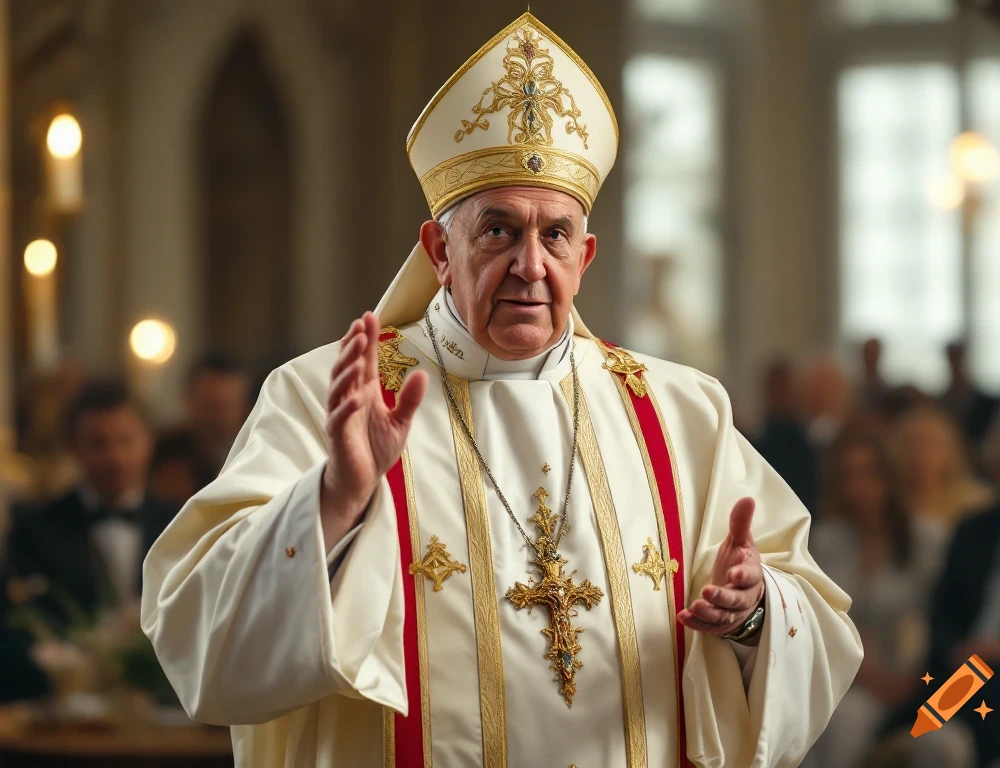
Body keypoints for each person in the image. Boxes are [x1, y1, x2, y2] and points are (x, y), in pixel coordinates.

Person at [142, 13, 862, 767]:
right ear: (437, 250)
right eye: (497, 231)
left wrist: (752, 616)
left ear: (584, 255)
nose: (529, 264)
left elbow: (820, 628)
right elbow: (196, 630)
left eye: (554, 235)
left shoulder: (683, 412)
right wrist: (334, 500)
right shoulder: (323, 396)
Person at [1, 379, 176, 699]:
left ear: (149, 441)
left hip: (170, 708)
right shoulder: (34, 529)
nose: (115, 458)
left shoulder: (180, 523)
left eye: (126, 441)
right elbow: (19, 628)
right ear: (73, 447)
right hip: (64, 711)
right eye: (99, 444)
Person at [872, 403, 1000, 767]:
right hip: (964, 669)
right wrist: (958, 649)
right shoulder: (975, 529)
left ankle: (910, 726)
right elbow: (942, 611)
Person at [804, 427, 941, 768]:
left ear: (889, 478)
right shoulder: (824, 541)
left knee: (940, 741)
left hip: (911, 678)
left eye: (867, 474)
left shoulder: (926, 541)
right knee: (839, 717)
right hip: (842, 674)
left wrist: (905, 678)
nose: (857, 488)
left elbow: (934, 622)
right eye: (847, 476)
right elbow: (816, 621)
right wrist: (860, 668)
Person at [893, 405, 992, 555]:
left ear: (951, 451)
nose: (921, 455)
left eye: (932, 445)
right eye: (913, 445)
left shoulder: (977, 502)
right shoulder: (889, 498)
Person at [752, 359, 817, 510]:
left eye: (785, 387)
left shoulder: (807, 443)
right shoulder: (756, 442)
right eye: (776, 388)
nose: (781, 394)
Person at [184, 354, 251, 486]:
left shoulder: (257, 454)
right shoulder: (168, 459)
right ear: (189, 400)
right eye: (209, 404)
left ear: (245, 406)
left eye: (227, 405)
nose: (218, 416)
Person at [941, 342, 1000, 449]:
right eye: (952, 358)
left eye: (958, 358)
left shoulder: (985, 402)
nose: (955, 363)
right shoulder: (943, 400)